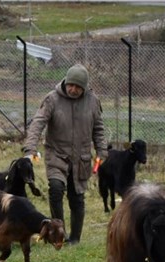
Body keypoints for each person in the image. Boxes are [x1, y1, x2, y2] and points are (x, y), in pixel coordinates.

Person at [23, 63, 108, 244]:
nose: (73, 89)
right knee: (55, 189)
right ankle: (58, 233)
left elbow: (99, 129)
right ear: (65, 82)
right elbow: (38, 123)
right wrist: (30, 148)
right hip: (56, 154)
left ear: (84, 87)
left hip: (81, 158)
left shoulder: (93, 101)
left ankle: (75, 239)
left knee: (77, 197)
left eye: (78, 86)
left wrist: (102, 151)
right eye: (71, 85)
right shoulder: (52, 99)